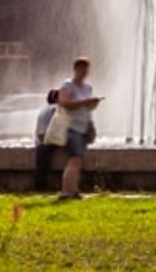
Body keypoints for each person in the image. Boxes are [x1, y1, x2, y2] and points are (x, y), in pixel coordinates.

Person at [57, 56, 102, 201]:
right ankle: (66, 191)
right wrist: (85, 102)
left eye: (86, 70)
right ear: (75, 69)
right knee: (74, 159)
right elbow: (64, 102)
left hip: (84, 127)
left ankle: (74, 190)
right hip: (72, 127)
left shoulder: (88, 88)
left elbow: (86, 107)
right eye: (81, 69)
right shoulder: (67, 85)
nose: (83, 72)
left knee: (79, 160)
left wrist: (92, 104)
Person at [32, 89, 61, 191]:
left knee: (41, 166)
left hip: (40, 141)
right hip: (46, 141)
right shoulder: (55, 109)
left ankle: (40, 185)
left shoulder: (45, 108)